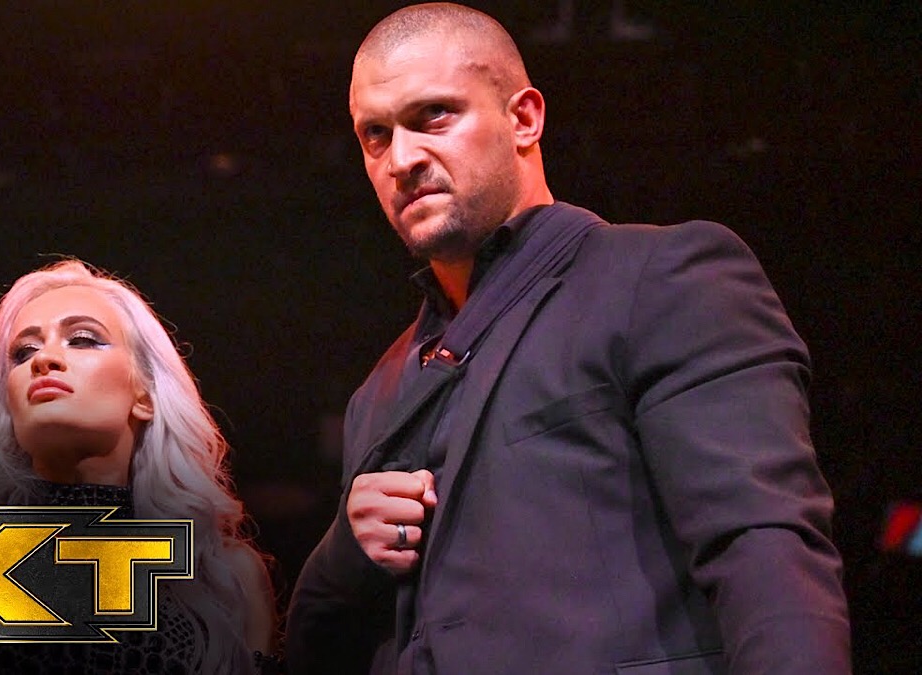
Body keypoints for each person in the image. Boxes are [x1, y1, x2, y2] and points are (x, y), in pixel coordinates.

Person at [285, 3, 850, 674]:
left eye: (433, 115)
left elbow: (763, 546)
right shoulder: (379, 389)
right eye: (375, 135)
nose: (401, 158)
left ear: (524, 119)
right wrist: (343, 557)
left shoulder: (657, 278)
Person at [0, 258, 283, 674]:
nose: (44, 359)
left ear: (144, 395)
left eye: (82, 339)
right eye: (23, 352)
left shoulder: (227, 577)